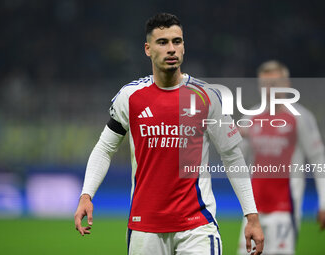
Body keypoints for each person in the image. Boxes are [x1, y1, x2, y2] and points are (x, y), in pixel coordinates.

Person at [74, 13, 264, 255]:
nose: (171, 49)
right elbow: (104, 148)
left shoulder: (206, 96)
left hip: (197, 226)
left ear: (184, 46)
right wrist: (86, 195)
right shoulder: (130, 97)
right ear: (147, 49)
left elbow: (232, 156)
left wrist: (252, 216)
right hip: (145, 228)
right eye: (162, 42)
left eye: (177, 41)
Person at [237, 60, 325, 255]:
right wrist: (235, 139)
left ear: (287, 84)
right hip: (253, 211)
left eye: (274, 84)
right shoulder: (250, 118)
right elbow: (238, 158)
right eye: (265, 85)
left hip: (285, 209)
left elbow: (318, 159)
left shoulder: (301, 117)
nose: (269, 90)